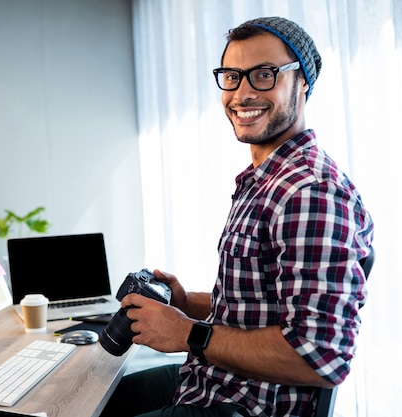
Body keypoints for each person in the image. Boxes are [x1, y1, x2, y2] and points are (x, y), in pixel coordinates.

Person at [101, 16, 374, 417]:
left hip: (247, 404)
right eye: (232, 76)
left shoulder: (309, 192)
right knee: (89, 394)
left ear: (302, 83)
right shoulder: (266, 179)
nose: (243, 93)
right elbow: (266, 305)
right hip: (211, 380)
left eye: (265, 74)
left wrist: (187, 332)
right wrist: (186, 303)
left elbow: (320, 356)